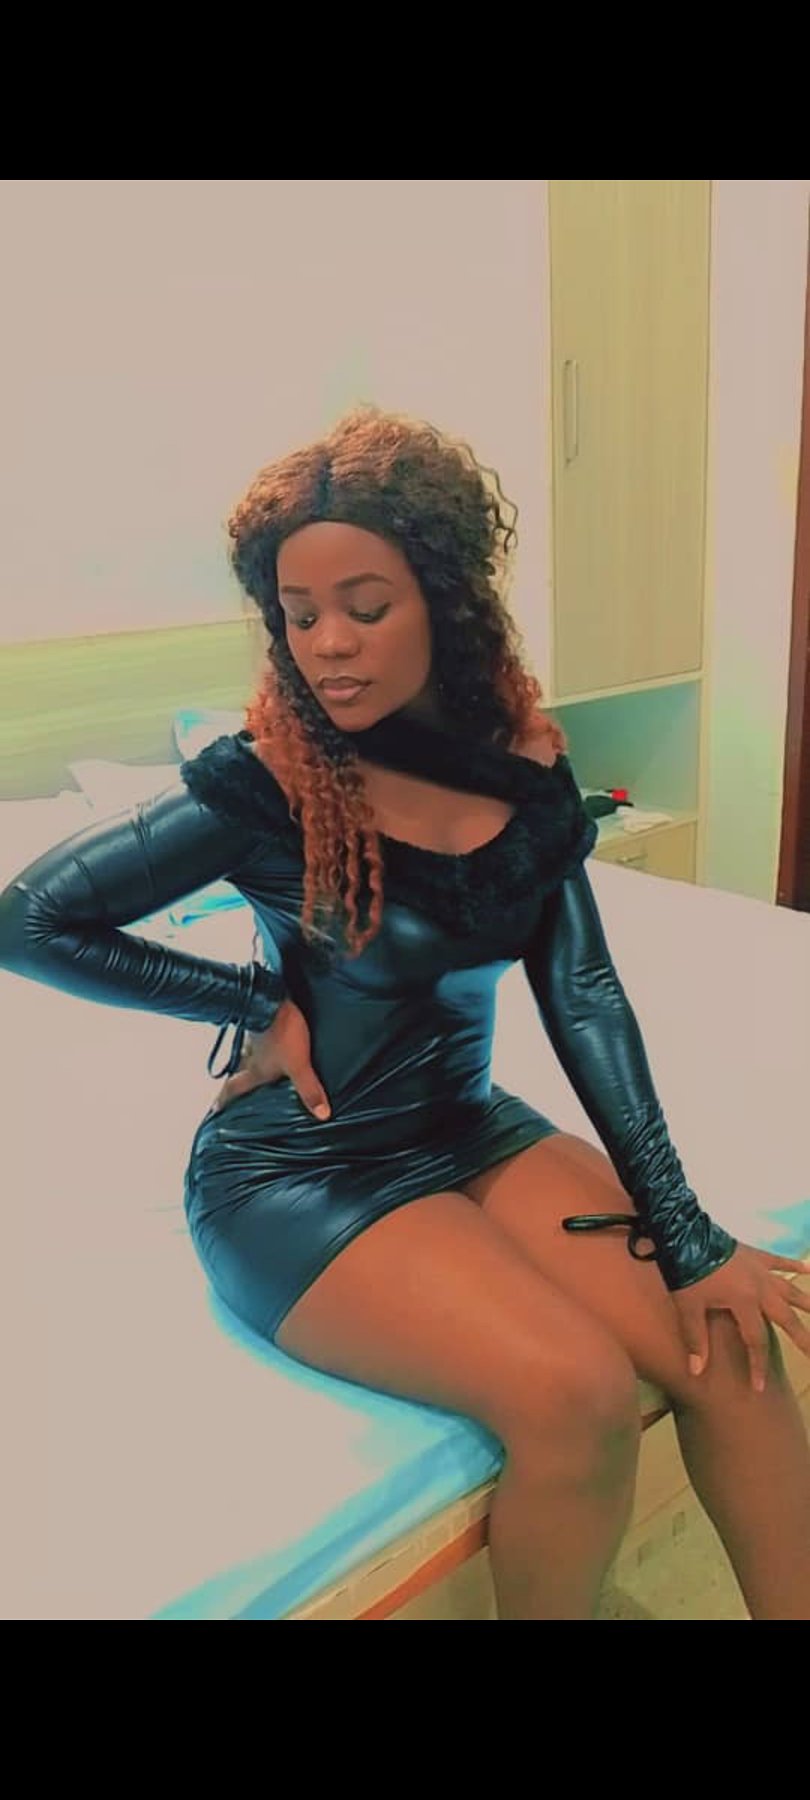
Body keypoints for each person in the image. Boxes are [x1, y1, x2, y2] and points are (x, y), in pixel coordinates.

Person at [1, 406, 809, 1622]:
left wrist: (687, 1231)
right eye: (298, 613)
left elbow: (584, 993)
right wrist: (250, 998)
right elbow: (30, 918)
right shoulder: (265, 782)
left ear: (442, 598)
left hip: (467, 1127)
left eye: (365, 607)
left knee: (735, 1348)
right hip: (299, 1172)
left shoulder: (521, 767)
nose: (328, 644)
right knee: (577, 1396)